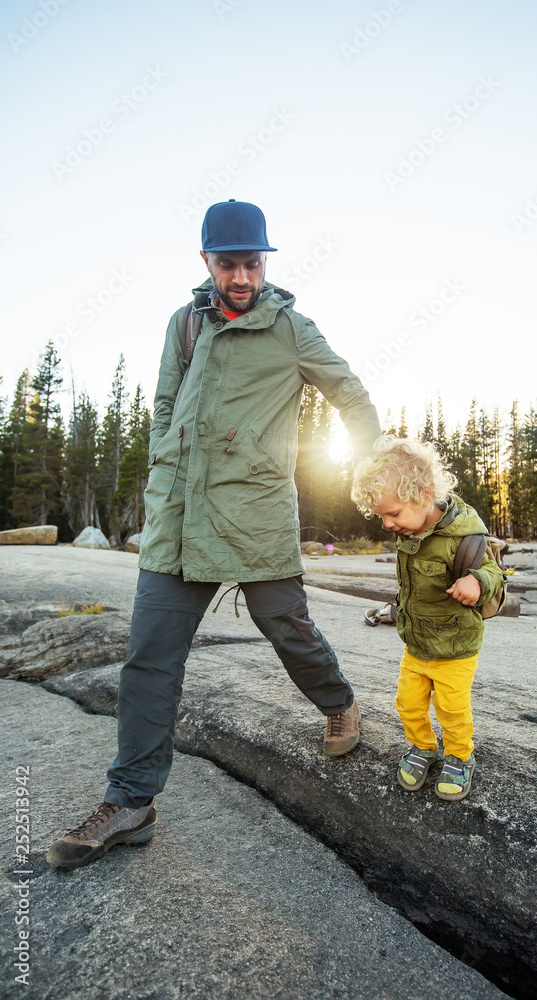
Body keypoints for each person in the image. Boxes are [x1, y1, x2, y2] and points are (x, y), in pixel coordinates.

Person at [47, 199, 381, 869]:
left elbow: (349, 390)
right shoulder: (186, 323)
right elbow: (164, 402)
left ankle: (338, 701)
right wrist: (165, 459)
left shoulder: (290, 328)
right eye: (227, 264)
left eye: (250, 264)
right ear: (206, 262)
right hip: (179, 514)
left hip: (253, 509)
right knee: (149, 655)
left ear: (265, 262)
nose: (239, 277)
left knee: (284, 624)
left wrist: (371, 467)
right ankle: (131, 802)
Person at [351, 436, 504, 801]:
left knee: (451, 708)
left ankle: (460, 756)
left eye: (394, 513)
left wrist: (476, 581)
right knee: (407, 702)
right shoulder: (410, 531)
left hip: (455, 645)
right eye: (382, 516)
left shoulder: (463, 536)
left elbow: (496, 573)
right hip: (417, 643)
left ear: (422, 494)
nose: (388, 524)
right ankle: (422, 747)